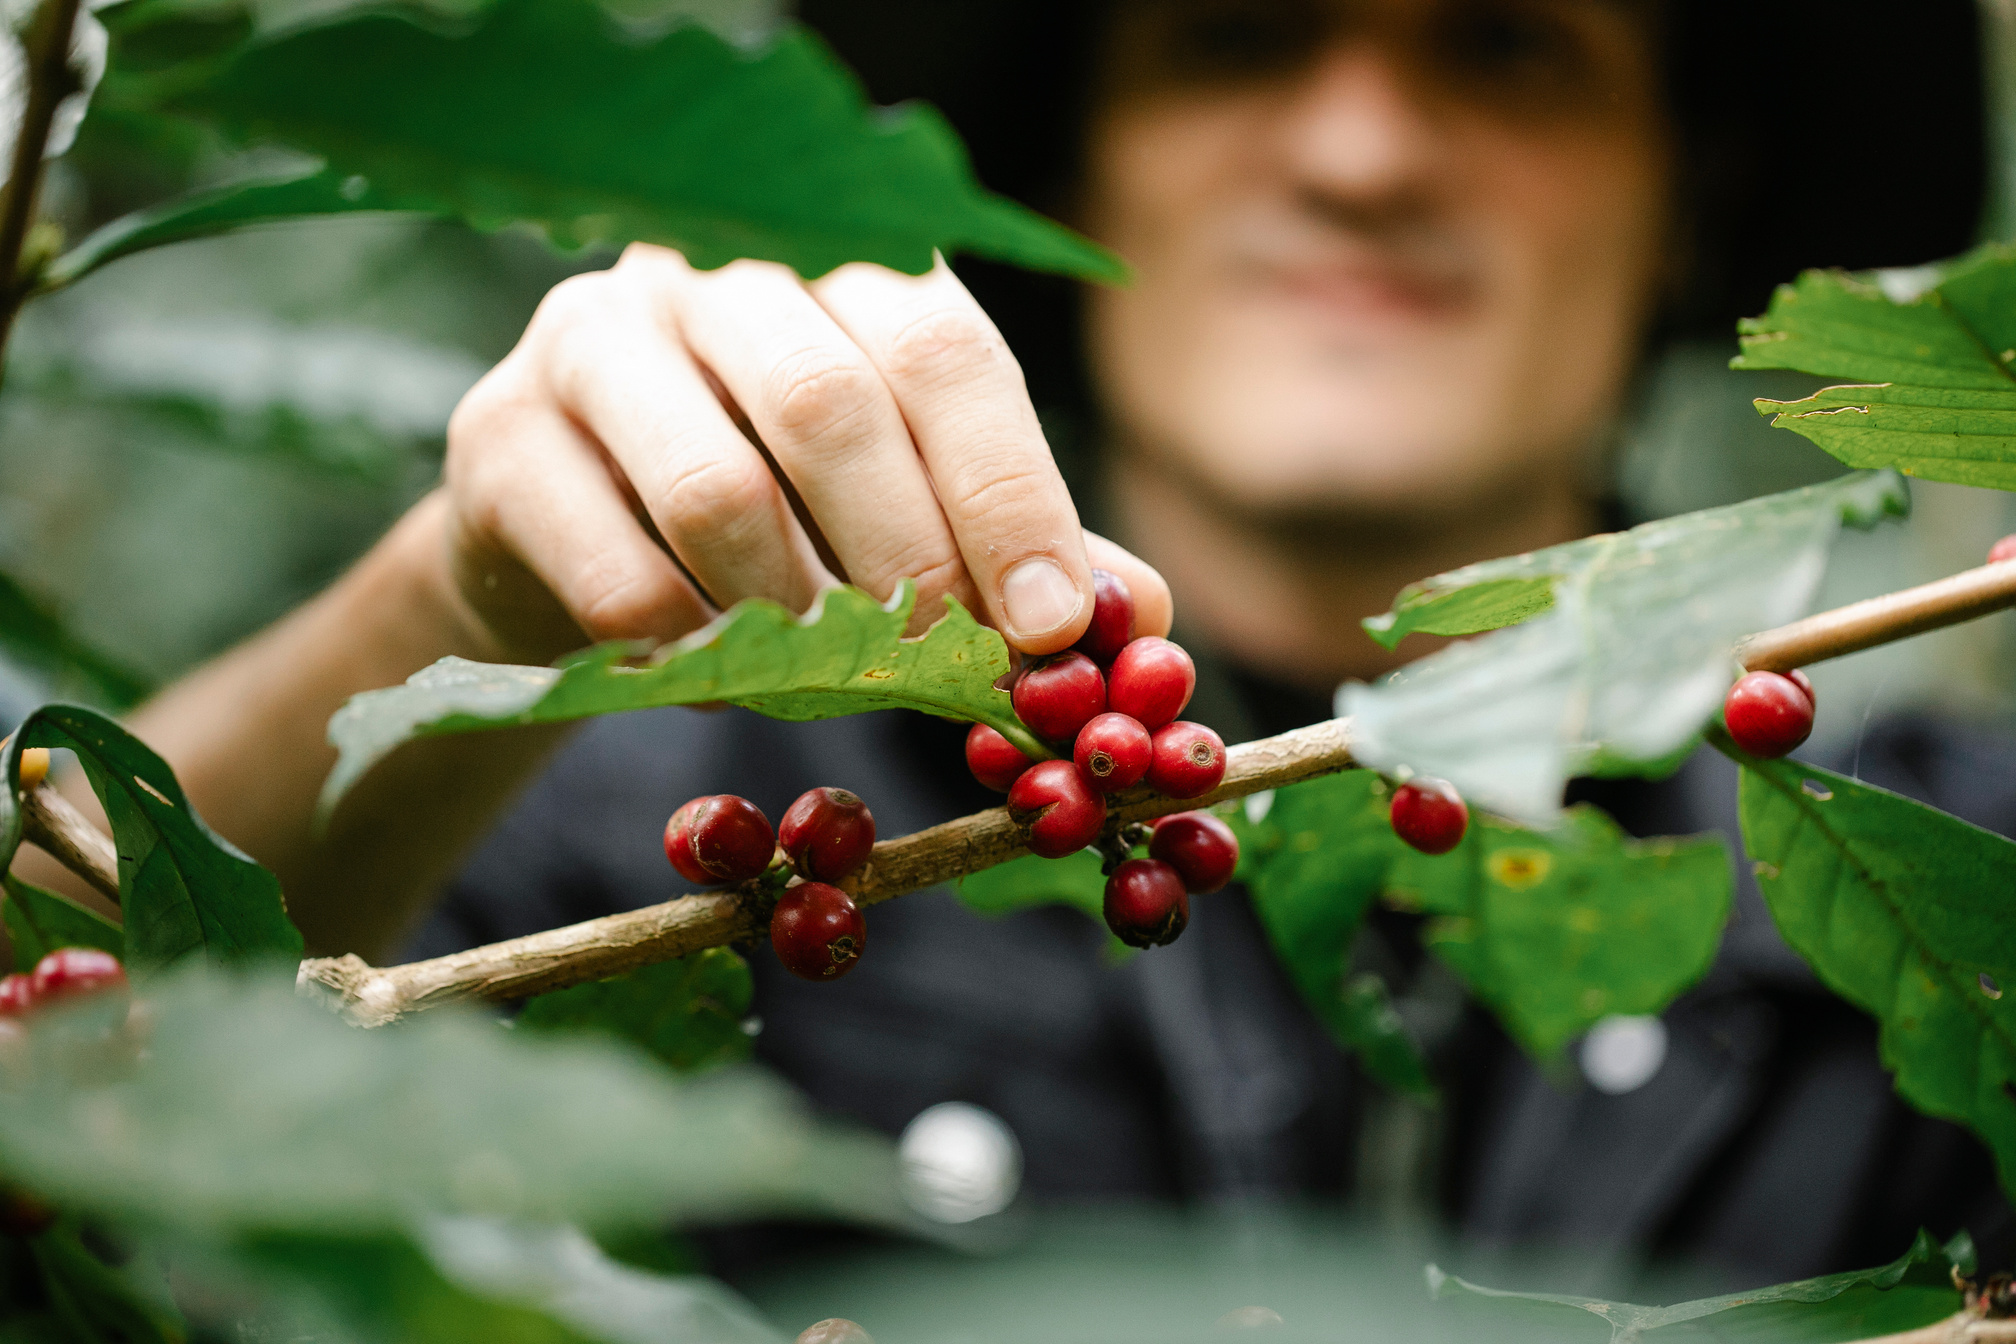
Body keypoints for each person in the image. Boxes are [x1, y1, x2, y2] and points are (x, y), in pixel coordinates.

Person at [22, 0, 2011, 1290]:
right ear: (1080, 161)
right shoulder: (682, 819)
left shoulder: (1973, 880)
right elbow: (51, 1092)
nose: (1360, 155)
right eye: (1234, 36)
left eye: (1505, 48)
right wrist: (463, 605)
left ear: (1693, 196)